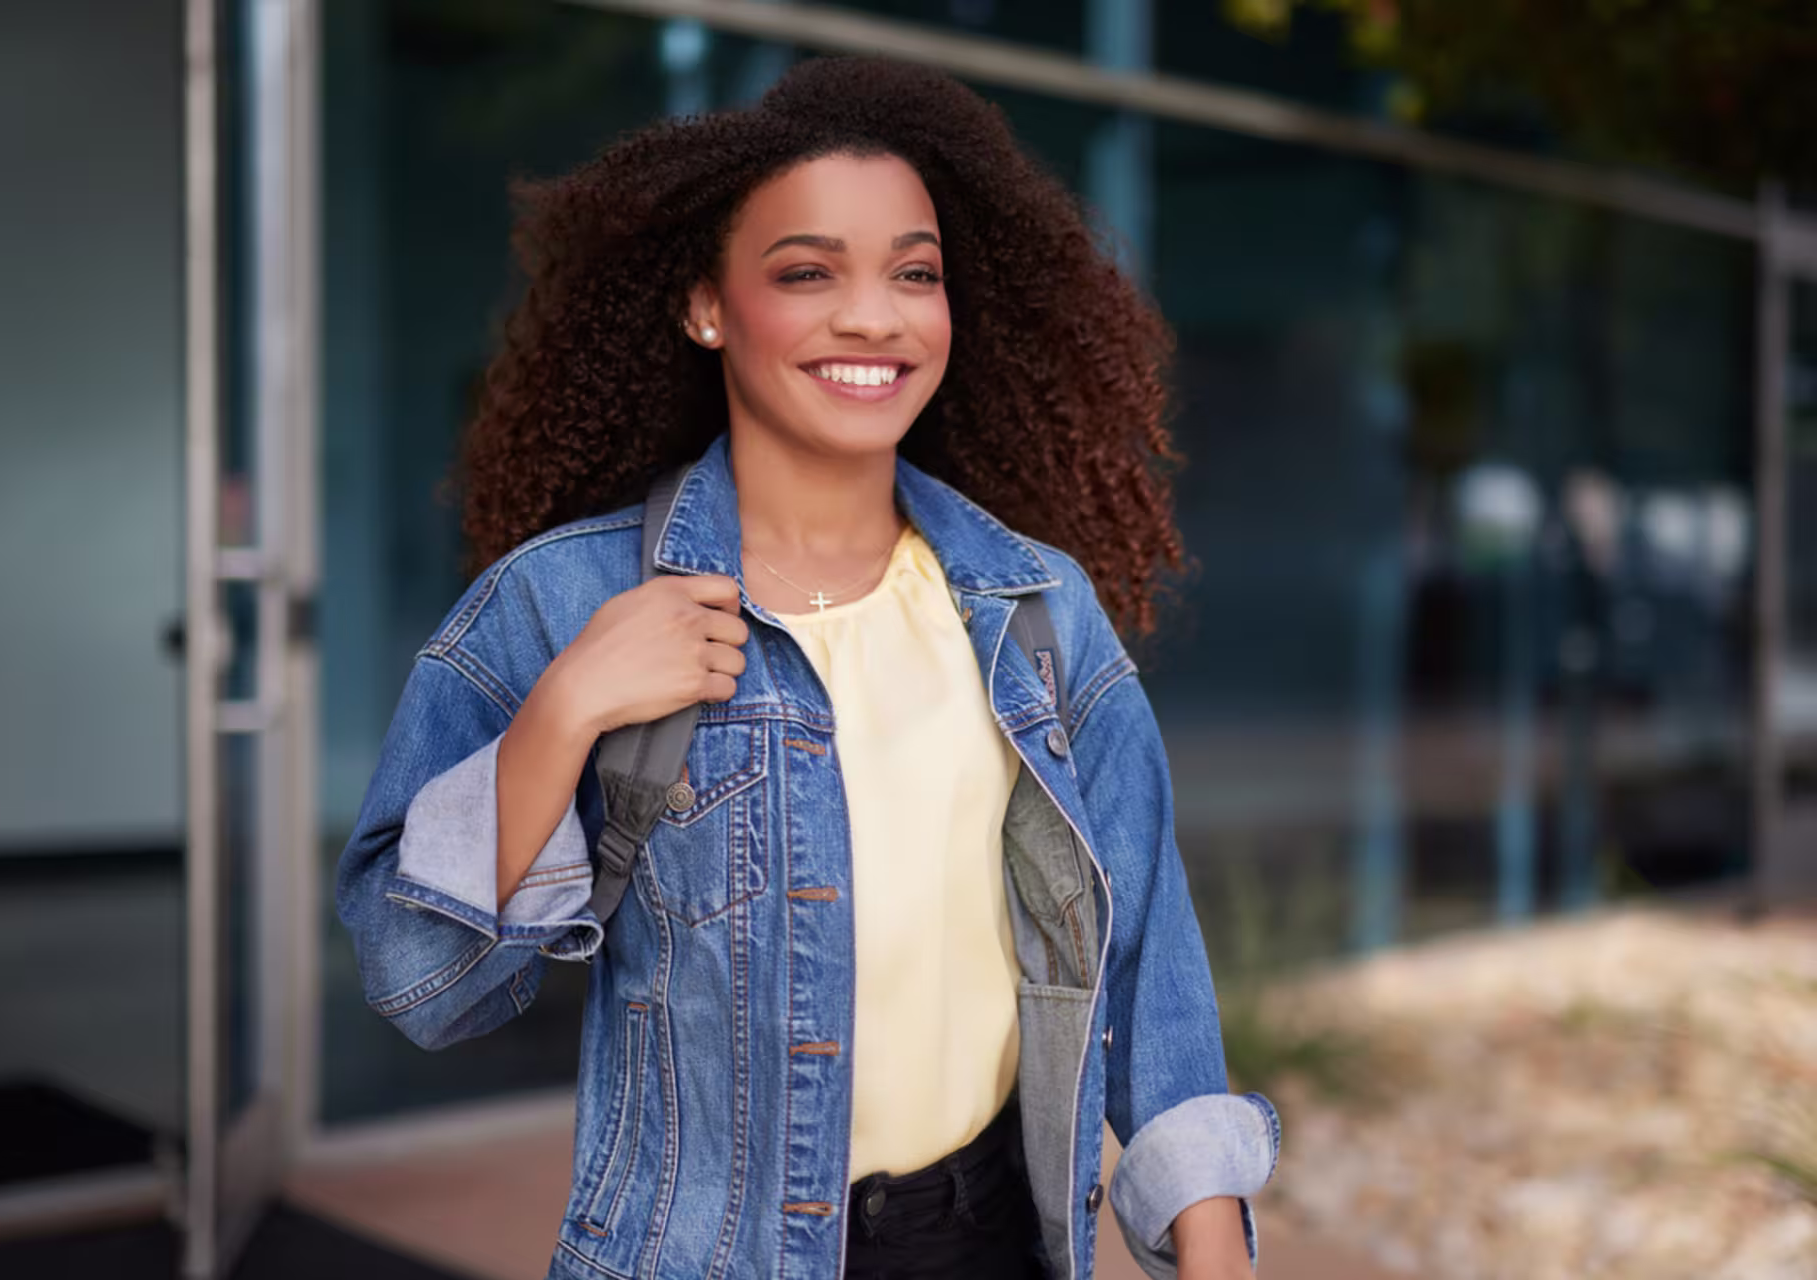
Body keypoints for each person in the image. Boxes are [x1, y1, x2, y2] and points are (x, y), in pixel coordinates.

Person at [335, 55, 1279, 1280]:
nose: (874, 318)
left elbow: (1146, 959)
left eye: (914, 273)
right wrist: (566, 708)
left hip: (991, 1245)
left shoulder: (1033, 611)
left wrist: (1214, 1248)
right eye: (807, 272)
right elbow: (420, 982)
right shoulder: (563, 601)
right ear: (706, 306)